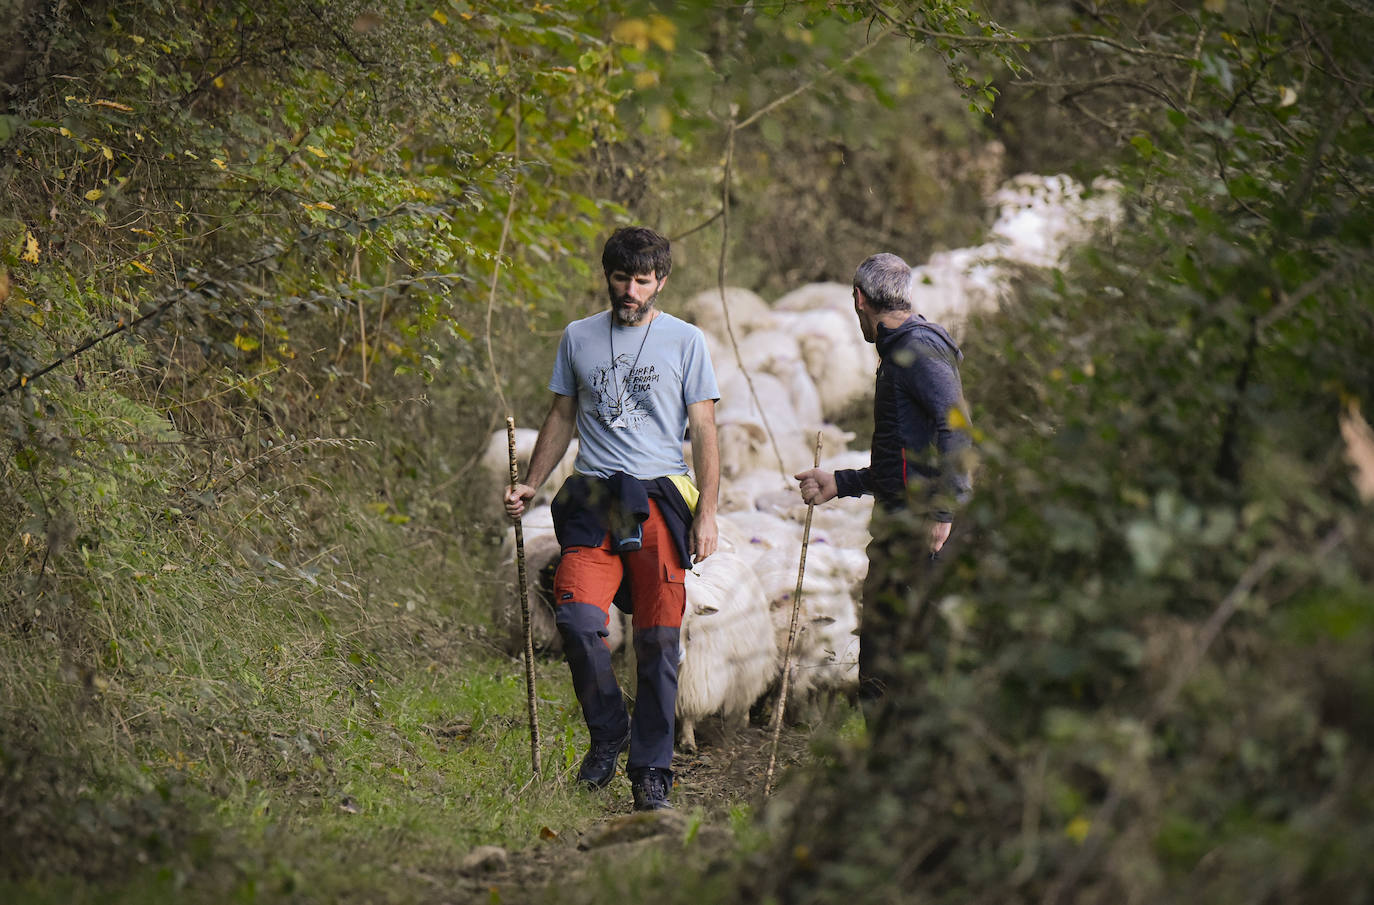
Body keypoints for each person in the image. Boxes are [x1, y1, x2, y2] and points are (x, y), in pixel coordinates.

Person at [504, 226, 719, 811]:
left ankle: (651, 770)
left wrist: (709, 512)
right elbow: (560, 416)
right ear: (608, 276)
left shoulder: (686, 341)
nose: (630, 290)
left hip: (659, 499)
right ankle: (608, 732)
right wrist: (531, 481)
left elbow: (703, 430)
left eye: (642, 280)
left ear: (661, 282)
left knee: (656, 641)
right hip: (593, 499)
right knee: (575, 619)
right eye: (621, 278)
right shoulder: (578, 337)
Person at [793, 252, 972, 723]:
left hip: (920, 533)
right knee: (884, 652)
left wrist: (944, 512)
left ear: (859, 299)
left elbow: (956, 425)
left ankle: (905, 768)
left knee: (899, 656)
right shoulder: (902, 350)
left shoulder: (914, 351)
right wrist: (841, 482)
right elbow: (904, 457)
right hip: (906, 525)